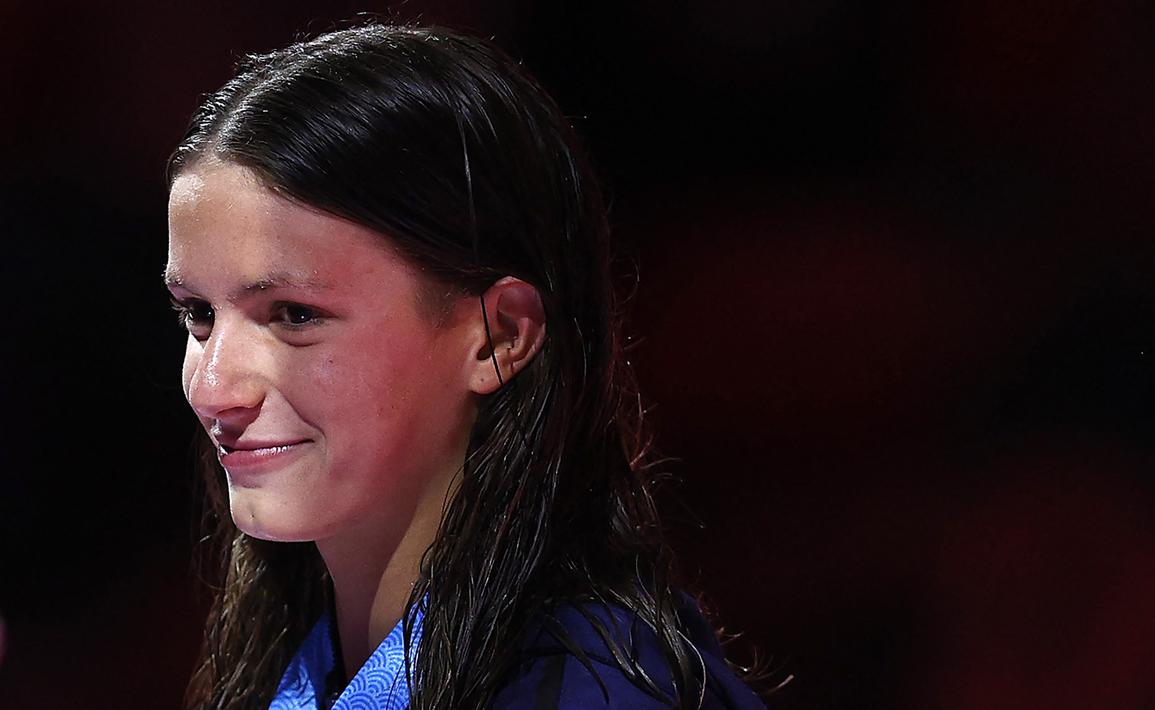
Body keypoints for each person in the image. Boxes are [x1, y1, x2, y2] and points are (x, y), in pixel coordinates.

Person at [165, 23, 766, 709]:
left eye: (295, 315)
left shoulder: (598, 695)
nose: (214, 389)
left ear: (498, 336)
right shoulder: (296, 668)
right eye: (198, 315)